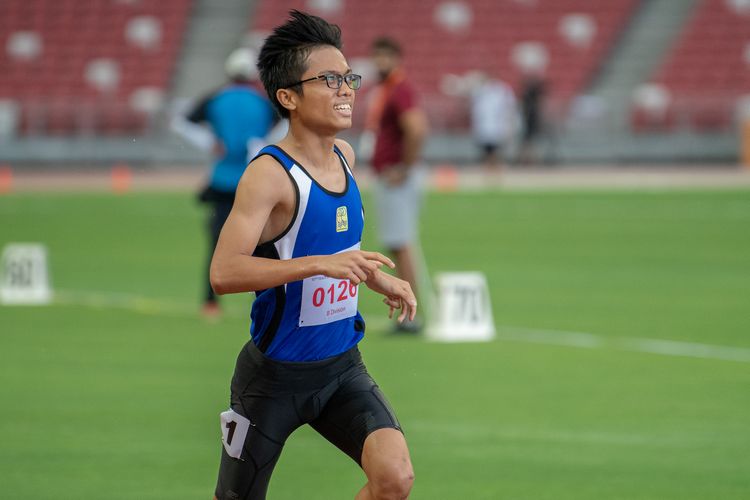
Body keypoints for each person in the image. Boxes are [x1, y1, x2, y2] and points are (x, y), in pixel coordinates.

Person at [209, 11, 417, 500]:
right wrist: (321, 266)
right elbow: (224, 272)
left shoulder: (344, 156)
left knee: (394, 479)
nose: (346, 89)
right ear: (288, 97)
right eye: (329, 79)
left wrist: (367, 273)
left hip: (342, 368)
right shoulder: (270, 174)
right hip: (274, 379)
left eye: (348, 77)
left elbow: (331, 244)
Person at [175, 47, 278, 317]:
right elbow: (285, 125)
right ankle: (270, 303)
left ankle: (210, 302)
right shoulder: (262, 101)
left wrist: (210, 142)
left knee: (217, 242)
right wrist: (262, 146)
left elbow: (182, 121)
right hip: (255, 180)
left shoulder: (216, 99)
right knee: (266, 244)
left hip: (221, 181)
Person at [365, 37, 429, 333]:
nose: (380, 62)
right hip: (391, 174)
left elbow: (416, 128)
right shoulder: (389, 89)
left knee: (401, 244)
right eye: (377, 57)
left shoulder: (399, 90)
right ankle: (408, 310)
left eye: (386, 57)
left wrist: (404, 166)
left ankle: (410, 314)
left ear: (397, 59)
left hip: (396, 176)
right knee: (396, 242)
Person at [468, 71, 517, 170]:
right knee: (487, 150)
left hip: (497, 127)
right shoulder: (480, 90)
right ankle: (491, 168)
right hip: (484, 127)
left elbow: (509, 107)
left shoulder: (502, 90)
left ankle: (494, 168)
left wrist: (509, 124)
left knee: (494, 150)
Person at [518, 71, 546, 166]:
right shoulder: (528, 95)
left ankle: (529, 160)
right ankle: (527, 160)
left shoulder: (531, 95)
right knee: (527, 141)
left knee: (529, 141)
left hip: (531, 119)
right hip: (528, 120)